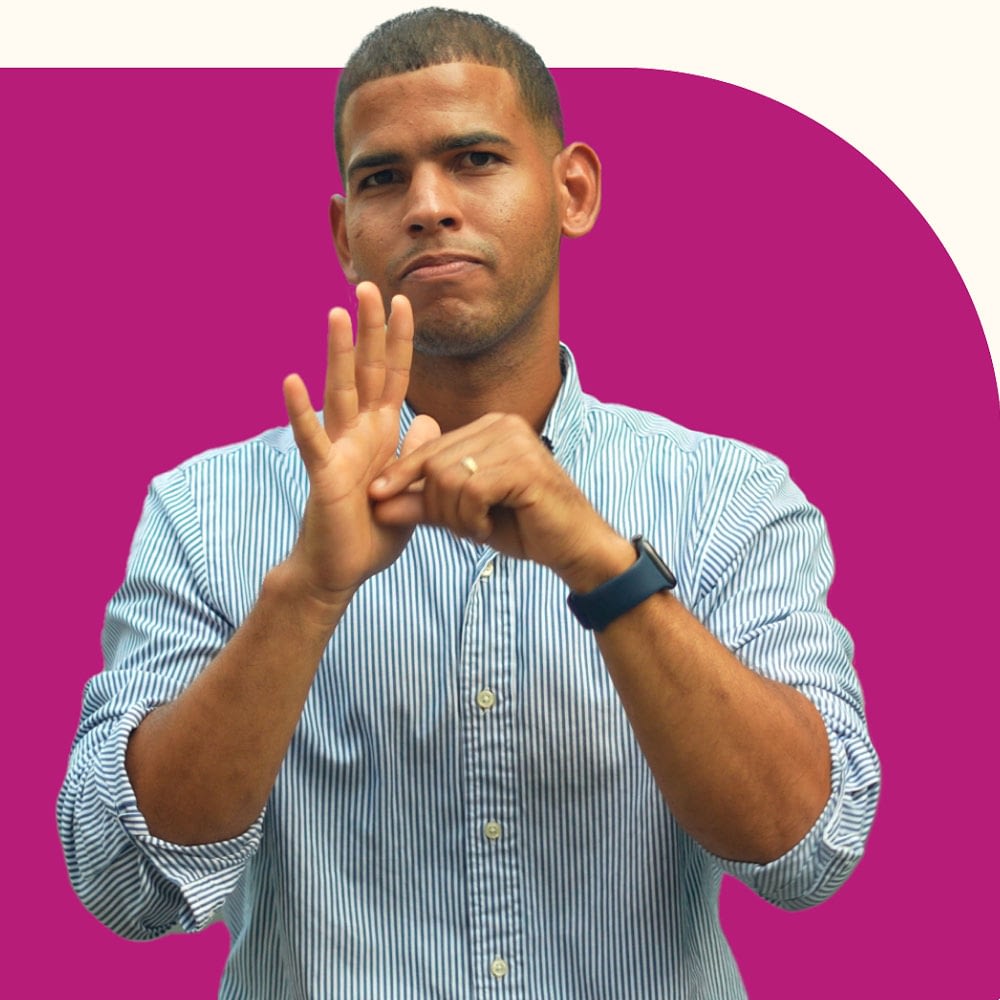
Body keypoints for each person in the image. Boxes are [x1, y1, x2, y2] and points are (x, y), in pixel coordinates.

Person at [58, 8, 880, 997]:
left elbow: (808, 853)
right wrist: (306, 591)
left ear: (571, 190)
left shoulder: (729, 498)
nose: (428, 205)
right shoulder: (202, 512)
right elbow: (124, 885)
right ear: (342, 232)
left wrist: (604, 565)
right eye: (382, 177)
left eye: (476, 158)